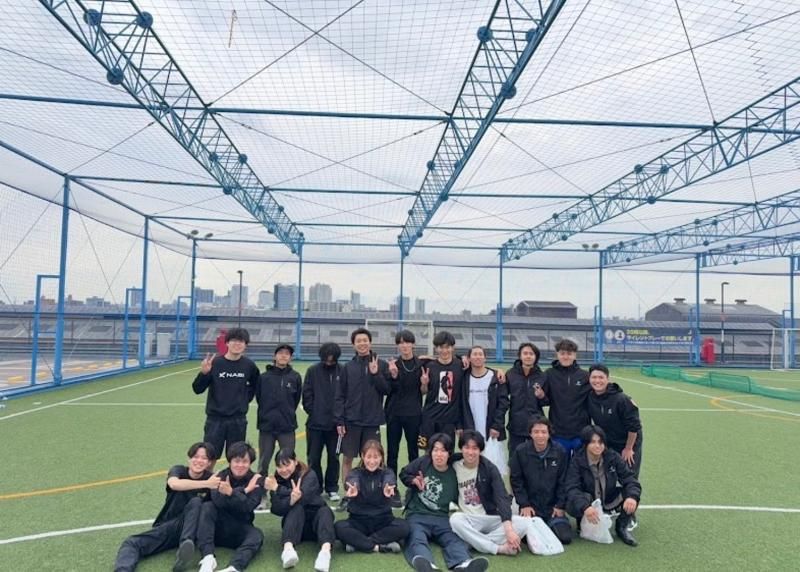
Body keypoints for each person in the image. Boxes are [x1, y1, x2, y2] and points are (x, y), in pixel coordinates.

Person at [114, 442, 220, 572]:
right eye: (196, 457)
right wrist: (207, 484)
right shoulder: (179, 470)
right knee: (132, 542)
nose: (199, 461)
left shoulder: (212, 479)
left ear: (209, 463)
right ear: (189, 458)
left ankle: (185, 546)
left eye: (204, 458)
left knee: (197, 503)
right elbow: (174, 484)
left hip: (194, 530)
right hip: (171, 525)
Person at [400, 432, 489, 572]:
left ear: (449, 453)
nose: (438, 455)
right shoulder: (424, 462)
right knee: (416, 538)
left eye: (443, 451)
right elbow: (404, 473)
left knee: (453, 539)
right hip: (417, 515)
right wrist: (413, 481)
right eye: (435, 450)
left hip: (442, 517)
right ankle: (427, 565)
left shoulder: (455, 473)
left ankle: (463, 564)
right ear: (431, 452)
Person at [334, 327, 391, 511]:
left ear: (370, 342)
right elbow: (339, 395)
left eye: (365, 340)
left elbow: (386, 390)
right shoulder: (347, 367)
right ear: (353, 345)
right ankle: (348, 495)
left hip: (372, 421)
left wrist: (376, 374)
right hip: (351, 421)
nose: (362, 344)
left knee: (374, 459)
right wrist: (340, 420)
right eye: (358, 341)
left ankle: (375, 494)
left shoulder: (381, 364)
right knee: (348, 459)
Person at [449, 430, 529, 556]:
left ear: (480, 450)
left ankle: (473, 542)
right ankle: (498, 548)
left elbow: (501, 497)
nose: (470, 452)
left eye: (475, 448)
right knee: (455, 519)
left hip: (490, 517)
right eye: (467, 448)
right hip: (470, 520)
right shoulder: (453, 464)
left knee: (524, 523)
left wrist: (509, 530)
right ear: (461, 448)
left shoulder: (489, 468)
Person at [565, 425, 641, 547]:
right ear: (586, 444)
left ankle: (622, 527)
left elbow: (630, 479)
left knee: (631, 493)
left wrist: (632, 497)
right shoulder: (577, 461)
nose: (597, 446)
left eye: (600, 442)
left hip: (607, 499)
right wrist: (585, 507)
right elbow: (572, 488)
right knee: (573, 501)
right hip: (588, 501)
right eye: (593, 442)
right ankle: (582, 520)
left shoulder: (612, 457)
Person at [196, 442, 264, 572]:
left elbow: (248, 506)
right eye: (236, 461)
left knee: (257, 535)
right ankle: (208, 557)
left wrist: (231, 492)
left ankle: (234, 567)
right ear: (230, 461)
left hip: (239, 528)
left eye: (245, 461)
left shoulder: (256, 479)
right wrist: (243, 491)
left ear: (250, 463)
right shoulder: (219, 476)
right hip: (216, 529)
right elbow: (218, 502)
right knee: (208, 507)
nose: (240, 465)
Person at [192, 328, 260, 459]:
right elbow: (197, 389)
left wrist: (245, 399)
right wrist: (204, 373)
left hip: (238, 420)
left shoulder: (249, 365)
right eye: (234, 340)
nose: (237, 344)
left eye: (241, 341)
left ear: (246, 345)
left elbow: (256, 385)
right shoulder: (215, 363)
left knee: (236, 458)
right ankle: (208, 474)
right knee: (210, 457)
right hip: (215, 420)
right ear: (227, 343)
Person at [265, 449, 336, 572]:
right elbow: (276, 509)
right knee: (296, 507)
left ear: (295, 461)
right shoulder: (275, 481)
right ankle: (288, 551)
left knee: (325, 511)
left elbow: (304, 497)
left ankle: (325, 553)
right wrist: (291, 501)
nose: (283, 470)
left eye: (287, 464)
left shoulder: (309, 474)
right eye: (279, 466)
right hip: (295, 527)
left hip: (317, 525)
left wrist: (279, 489)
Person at [334, 440, 410, 553]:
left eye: (376, 457)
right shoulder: (355, 472)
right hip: (358, 520)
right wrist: (354, 487)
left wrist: (387, 487)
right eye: (368, 457)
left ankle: (359, 543)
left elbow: (389, 480)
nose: (372, 461)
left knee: (404, 527)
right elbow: (352, 480)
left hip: (383, 520)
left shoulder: (387, 472)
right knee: (338, 527)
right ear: (363, 456)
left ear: (381, 457)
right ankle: (379, 546)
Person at [508, 417, 573, 547]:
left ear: (549, 433)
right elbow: (516, 480)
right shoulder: (521, 451)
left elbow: (564, 480)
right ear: (530, 433)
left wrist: (560, 505)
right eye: (536, 432)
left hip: (552, 508)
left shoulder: (559, 451)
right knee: (528, 539)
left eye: (544, 432)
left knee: (564, 537)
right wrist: (524, 504)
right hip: (531, 508)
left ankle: (550, 525)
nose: (540, 435)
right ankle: (537, 525)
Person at [385, 329, 424, 508]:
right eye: (400, 343)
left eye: (407, 342)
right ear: (397, 346)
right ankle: (392, 488)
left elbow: (424, 389)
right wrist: (393, 375)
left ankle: (413, 486)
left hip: (414, 413)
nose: (404, 346)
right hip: (394, 413)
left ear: (413, 344)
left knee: (413, 452)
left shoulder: (421, 364)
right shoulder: (392, 364)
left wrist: (424, 384)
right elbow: (388, 389)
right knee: (392, 452)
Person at [586, 364, 643, 479]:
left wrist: (628, 448)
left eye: (601, 377)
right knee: (608, 475)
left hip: (628, 441)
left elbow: (634, 427)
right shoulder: (589, 397)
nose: (597, 381)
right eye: (594, 377)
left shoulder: (621, 399)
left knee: (628, 476)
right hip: (609, 442)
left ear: (608, 379)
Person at [303, 342, 344, 502]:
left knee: (334, 457)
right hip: (315, 425)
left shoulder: (343, 370)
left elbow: (346, 395)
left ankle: (332, 488)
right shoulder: (312, 371)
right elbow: (307, 394)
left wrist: (340, 418)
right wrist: (314, 412)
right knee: (313, 458)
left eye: (332, 359)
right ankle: (316, 487)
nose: (329, 361)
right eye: (326, 358)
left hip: (336, 426)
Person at [255, 343, 302, 479]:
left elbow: (295, 399)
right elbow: (259, 397)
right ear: (274, 356)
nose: (283, 356)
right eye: (280, 353)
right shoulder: (264, 377)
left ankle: (286, 488)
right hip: (266, 426)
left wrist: (287, 414)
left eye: (287, 354)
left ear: (290, 358)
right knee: (264, 461)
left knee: (288, 461)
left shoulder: (295, 377)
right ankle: (261, 488)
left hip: (287, 426)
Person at [538, 339, 590, 457]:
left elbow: (601, 389)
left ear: (575, 355)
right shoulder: (549, 374)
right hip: (558, 432)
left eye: (569, 354)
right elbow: (545, 401)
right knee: (560, 465)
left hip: (580, 432)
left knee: (580, 465)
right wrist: (541, 396)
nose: (566, 357)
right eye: (562, 353)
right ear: (557, 354)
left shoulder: (585, 376)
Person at [418, 331, 465, 448]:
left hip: (449, 421)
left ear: (453, 348)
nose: (444, 351)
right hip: (429, 418)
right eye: (441, 347)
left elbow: (479, 367)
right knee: (428, 452)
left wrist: (498, 371)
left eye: (447, 347)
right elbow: (423, 392)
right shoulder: (428, 366)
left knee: (447, 453)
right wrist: (424, 384)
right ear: (436, 348)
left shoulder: (461, 365)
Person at [460, 346, 508, 443]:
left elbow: (503, 404)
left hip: (492, 431)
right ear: (469, 358)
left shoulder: (496, 377)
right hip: (470, 429)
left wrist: (496, 425)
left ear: (485, 358)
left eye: (480, 354)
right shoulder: (463, 377)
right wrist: (459, 426)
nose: (478, 357)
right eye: (475, 354)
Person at [505, 343, 545, 455]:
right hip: (516, 425)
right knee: (515, 457)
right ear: (520, 356)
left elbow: (547, 401)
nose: (528, 356)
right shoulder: (510, 374)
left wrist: (542, 396)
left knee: (536, 458)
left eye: (531, 354)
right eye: (525, 353)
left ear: (536, 357)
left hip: (536, 425)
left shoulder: (542, 376)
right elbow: (502, 398)